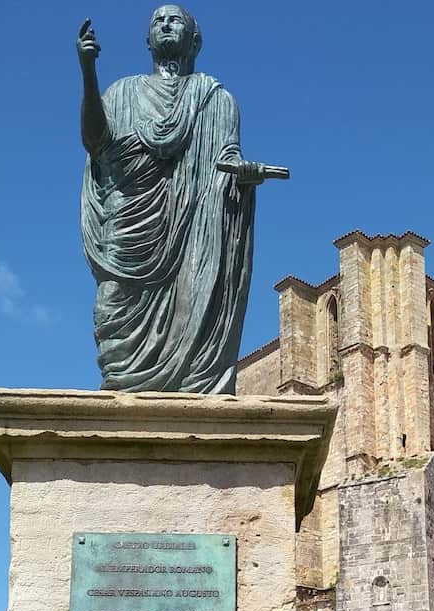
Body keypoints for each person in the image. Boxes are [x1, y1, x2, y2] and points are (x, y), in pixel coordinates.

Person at [78, 7, 283, 393]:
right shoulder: (121, 92)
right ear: (147, 41)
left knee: (194, 302)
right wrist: (88, 71)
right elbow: (96, 142)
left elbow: (226, 159)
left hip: (193, 233)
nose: (166, 25)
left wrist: (243, 174)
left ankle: (192, 385)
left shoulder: (216, 100)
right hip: (129, 226)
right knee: (112, 304)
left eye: (175, 21)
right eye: (158, 21)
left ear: (195, 40)